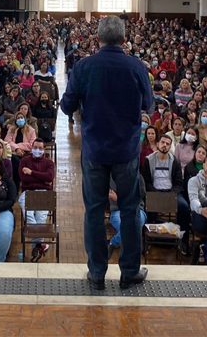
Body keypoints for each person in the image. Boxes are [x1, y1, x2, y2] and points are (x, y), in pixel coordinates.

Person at [60, 16, 152, 290]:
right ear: (124, 39)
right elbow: (148, 105)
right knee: (130, 210)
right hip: (126, 150)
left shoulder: (84, 66)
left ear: (97, 39)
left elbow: (66, 107)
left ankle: (97, 272)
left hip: (95, 150)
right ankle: (129, 272)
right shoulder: (137, 66)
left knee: (94, 211)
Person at [141, 134, 189, 238]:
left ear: (170, 147)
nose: (165, 145)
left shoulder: (175, 161)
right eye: (163, 142)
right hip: (154, 192)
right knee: (144, 206)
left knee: (184, 207)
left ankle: (183, 238)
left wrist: (170, 194)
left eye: (167, 144)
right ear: (158, 144)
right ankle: (147, 237)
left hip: (171, 193)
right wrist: (156, 194)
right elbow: (146, 181)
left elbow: (178, 183)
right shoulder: (148, 160)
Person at [19, 138, 56, 262]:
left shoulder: (49, 163)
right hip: (27, 192)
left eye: (40, 148)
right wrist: (42, 179)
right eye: (35, 147)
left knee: (41, 218)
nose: (37, 150)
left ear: (44, 149)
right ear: (31, 148)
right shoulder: (24, 161)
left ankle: (37, 247)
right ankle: (40, 245)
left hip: (44, 193)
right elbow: (24, 179)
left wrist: (31, 173)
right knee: (28, 215)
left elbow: (50, 177)